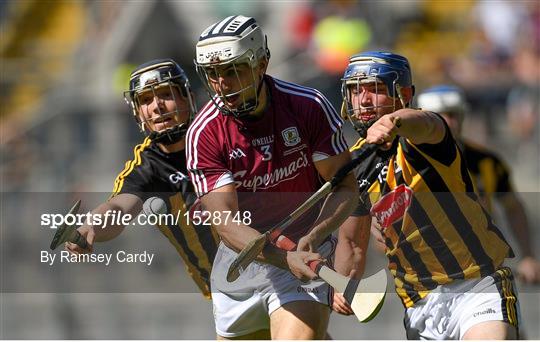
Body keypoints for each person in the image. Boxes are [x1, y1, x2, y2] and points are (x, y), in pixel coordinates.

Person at [187, 15, 358, 340]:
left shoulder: (308, 107)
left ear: (262, 63)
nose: (222, 83)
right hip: (242, 261)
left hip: (305, 254)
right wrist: (282, 258)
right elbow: (226, 223)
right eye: (212, 73)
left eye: (233, 70)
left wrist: (318, 233)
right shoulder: (204, 132)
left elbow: (345, 187)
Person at [334, 51, 521, 339]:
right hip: (420, 305)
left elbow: (427, 123)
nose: (364, 100)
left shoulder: (423, 138)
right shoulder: (355, 165)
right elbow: (351, 243)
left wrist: (394, 121)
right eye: (355, 91)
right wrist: (342, 282)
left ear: (404, 93)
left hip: (477, 286)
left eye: (376, 89)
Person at [65, 59, 219, 298]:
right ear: (137, 112)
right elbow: (119, 207)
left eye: (166, 94)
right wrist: (92, 224)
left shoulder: (222, 135)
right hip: (223, 291)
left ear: (187, 98)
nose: (157, 106)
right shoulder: (146, 167)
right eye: (146, 100)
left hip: (273, 266)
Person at [417, 85, 540, 284]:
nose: (449, 122)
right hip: (427, 276)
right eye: (439, 116)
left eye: (453, 114)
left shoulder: (488, 162)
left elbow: (513, 207)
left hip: (483, 270)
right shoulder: (404, 163)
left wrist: (527, 256)